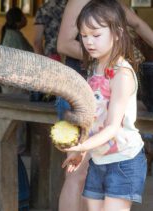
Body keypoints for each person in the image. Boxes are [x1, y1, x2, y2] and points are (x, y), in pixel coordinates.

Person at [56, 1, 153, 210]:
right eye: (84, 36)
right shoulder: (94, 69)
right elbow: (93, 120)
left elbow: (111, 127)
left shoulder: (122, 74)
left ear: (117, 33)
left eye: (96, 35)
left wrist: (82, 147)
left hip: (124, 161)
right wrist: (81, 153)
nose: (89, 42)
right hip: (99, 160)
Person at [0, 7, 33, 153]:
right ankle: (18, 146)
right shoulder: (14, 36)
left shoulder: (10, 34)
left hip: (10, 83)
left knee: (13, 113)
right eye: (23, 17)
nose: (26, 19)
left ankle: (15, 145)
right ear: (19, 20)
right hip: (15, 83)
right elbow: (28, 56)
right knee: (18, 114)